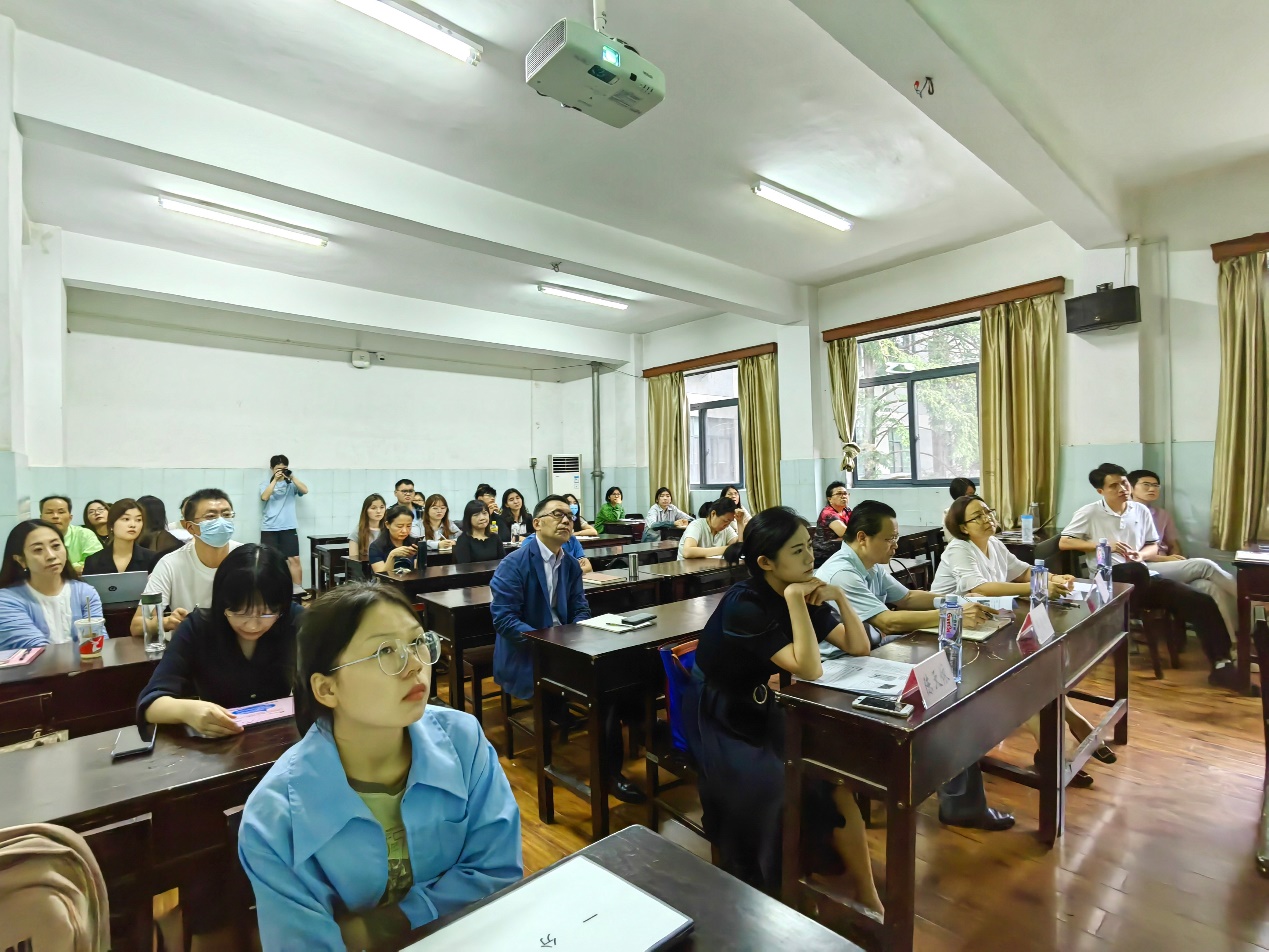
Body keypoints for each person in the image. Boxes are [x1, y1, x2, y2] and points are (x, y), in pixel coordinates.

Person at [238, 583, 522, 951]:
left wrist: (383, 926)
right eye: (385, 651)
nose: (416, 664)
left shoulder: (462, 740)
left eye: (418, 642)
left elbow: (497, 872)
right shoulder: (274, 818)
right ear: (327, 690)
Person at [691, 506, 879, 909]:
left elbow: (858, 645)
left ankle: (868, 897)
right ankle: (778, 898)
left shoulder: (802, 587)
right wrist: (796, 600)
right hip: (720, 715)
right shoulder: (744, 603)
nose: (811, 557)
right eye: (798, 551)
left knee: (832, 779)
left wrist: (839, 597)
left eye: (809, 546)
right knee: (778, 792)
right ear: (766, 563)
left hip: (762, 705)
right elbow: (809, 668)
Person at [139, 544, 300, 952]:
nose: (253, 623)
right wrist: (189, 709)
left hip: (284, 763)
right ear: (221, 601)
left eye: (267, 612)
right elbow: (151, 702)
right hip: (217, 768)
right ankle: (211, 922)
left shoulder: (297, 623)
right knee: (209, 849)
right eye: (240, 611)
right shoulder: (200, 626)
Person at [816, 500, 1015, 830]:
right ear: (863, 537)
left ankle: (955, 788)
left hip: (871, 654)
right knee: (941, 695)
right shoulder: (843, 573)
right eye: (890, 539)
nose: (896, 545)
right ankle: (956, 799)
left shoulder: (869, 564)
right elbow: (888, 621)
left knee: (949, 683)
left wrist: (959, 601)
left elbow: (907, 598)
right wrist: (951, 613)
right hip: (841, 666)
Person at [933, 495, 1110, 783]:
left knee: (1039, 669)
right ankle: (1057, 753)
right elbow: (980, 587)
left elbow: (1024, 572)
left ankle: (1064, 739)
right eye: (978, 516)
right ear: (963, 527)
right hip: (953, 634)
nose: (988, 518)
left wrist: (1053, 579)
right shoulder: (958, 549)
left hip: (988, 627)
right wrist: (1037, 587)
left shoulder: (994, 544)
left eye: (988, 511)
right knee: (1024, 681)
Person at [490, 495, 644, 803]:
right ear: (537, 523)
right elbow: (504, 620)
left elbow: (580, 607)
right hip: (530, 653)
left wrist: (576, 634)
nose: (565, 520)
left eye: (569, 516)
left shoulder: (571, 564)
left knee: (629, 672)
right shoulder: (514, 564)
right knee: (604, 691)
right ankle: (609, 775)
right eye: (557, 514)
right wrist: (550, 643)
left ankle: (645, 741)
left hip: (567, 646)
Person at [1060, 463, 1237, 689]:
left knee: (1202, 600)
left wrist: (1140, 554)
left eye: (1124, 482)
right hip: (1110, 580)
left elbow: (1153, 545)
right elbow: (1065, 542)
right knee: (1135, 570)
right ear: (1100, 491)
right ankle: (1121, 616)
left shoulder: (1140, 510)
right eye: (1113, 486)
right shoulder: (1090, 512)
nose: (1122, 488)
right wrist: (1103, 546)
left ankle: (1222, 665)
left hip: (1144, 577)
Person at [1128, 468, 1238, 639]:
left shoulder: (1162, 514)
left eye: (1156, 485)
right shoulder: (1125, 514)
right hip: (1144, 567)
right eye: (1146, 485)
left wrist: (1176, 557)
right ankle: (1252, 599)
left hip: (1168, 565)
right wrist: (1166, 559)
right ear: (1131, 488)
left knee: (1209, 587)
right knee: (1204, 566)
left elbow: (1173, 543)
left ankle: (1232, 643)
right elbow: (1132, 554)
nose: (1152, 489)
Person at [129, 489, 242, 637]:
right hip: (191, 644)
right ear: (190, 527)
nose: (221, 522)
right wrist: (166, 622)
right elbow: (137, 624)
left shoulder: (247, 558)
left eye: (226, 515)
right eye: (211, 516)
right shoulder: (169, 564)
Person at [0, 520, 104, 650]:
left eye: (56, 546)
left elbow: (99, 641)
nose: (51, 556)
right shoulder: (6, 600)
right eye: (38, 550)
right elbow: (36, 649)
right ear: (21, 560)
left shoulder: (85, 592)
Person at [259, 454, 309, 586]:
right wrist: (275, 480)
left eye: (284, 468)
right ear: (272, 469)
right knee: (268, 561)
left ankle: (298, 591)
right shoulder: (266, 484)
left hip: (288, 527)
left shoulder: (291, 484)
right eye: (278, 469)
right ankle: (271, 591)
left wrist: (291, 477)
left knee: (294, 559)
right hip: (269, 528)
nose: (281, 471)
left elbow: (305, 490)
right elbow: (264, 497)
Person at [82, 498, 161, 576]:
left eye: (138, 520)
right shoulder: (93, 561)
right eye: (126, 519)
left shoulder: (153, 559)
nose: (133, 525)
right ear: (112, 524)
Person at [38, 495, 102, 574]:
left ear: (70, 517)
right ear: (41, 518)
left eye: (61, 512)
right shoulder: (34, 538)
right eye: (49, 512)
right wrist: (74, 568)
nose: (55, 516)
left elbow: (96, 564)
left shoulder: (84, 534)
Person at [679, 497, 743, 559]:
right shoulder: (696, 525)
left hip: (710, 565)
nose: (727, 525)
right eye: (725, 521)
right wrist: (726, 549)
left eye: (730, 522)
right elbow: (687, 552)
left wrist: (740, 522)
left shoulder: (726, 528)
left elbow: (739, 547)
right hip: (688, 566)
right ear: (713, 514)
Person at [368, 505, 423, 575]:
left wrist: (421, 555)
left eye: (408, 526)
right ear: (387, 525)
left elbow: (420, 573)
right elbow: (382, 577)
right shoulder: (376, 547)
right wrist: (392, 555)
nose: (404, 530)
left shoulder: (414, 543)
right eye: (399, 526)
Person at [349, 494, 387, 562]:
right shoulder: (357, 532)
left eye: (382, 507)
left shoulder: (388, 529)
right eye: (373, 508)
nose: (378, 511)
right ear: (366, 510)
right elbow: (353, 561)